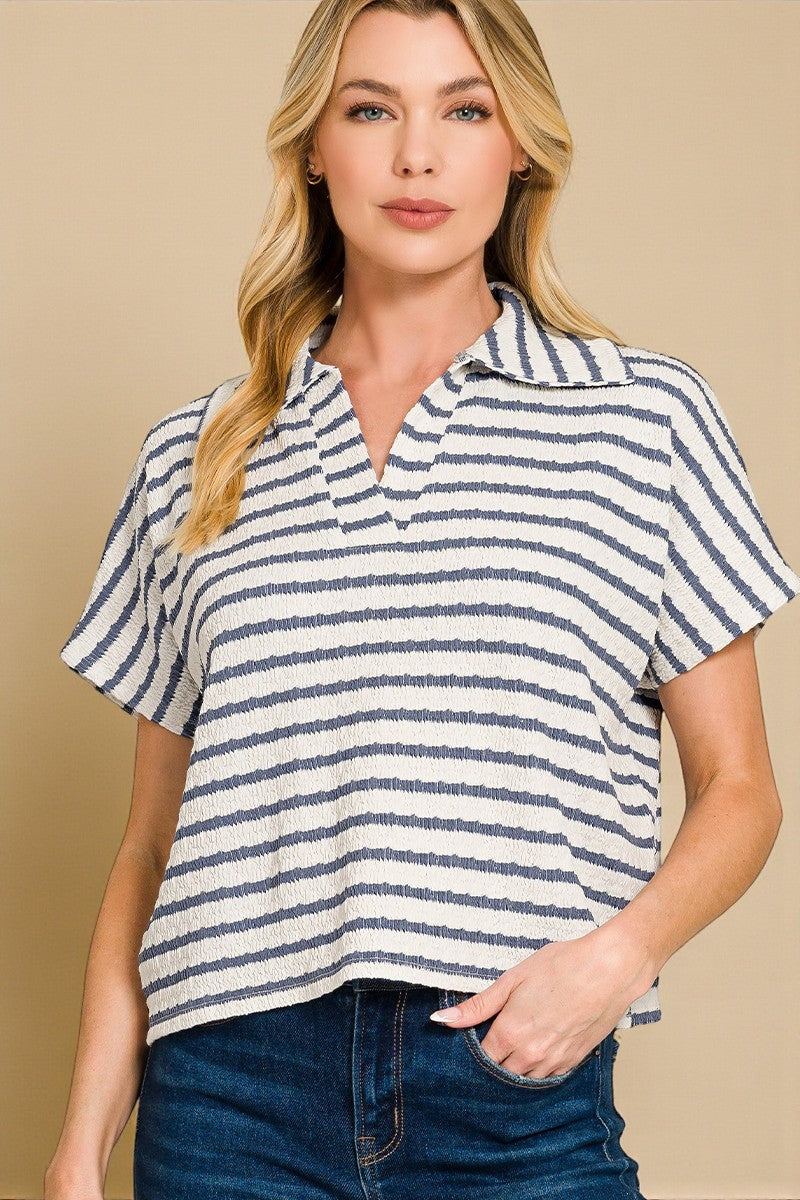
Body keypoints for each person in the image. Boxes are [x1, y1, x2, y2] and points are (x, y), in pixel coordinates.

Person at [45, 1, 800, 1198]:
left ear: (520, 147)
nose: (416, 155)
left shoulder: (639, 420)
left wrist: (613, 961)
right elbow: (147, 850)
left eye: (464, 108)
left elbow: (742, 790)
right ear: (312, 146)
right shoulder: (195, 457)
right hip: (228, 1101)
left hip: (511, 1087)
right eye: (369, 109)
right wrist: (80, 1148)